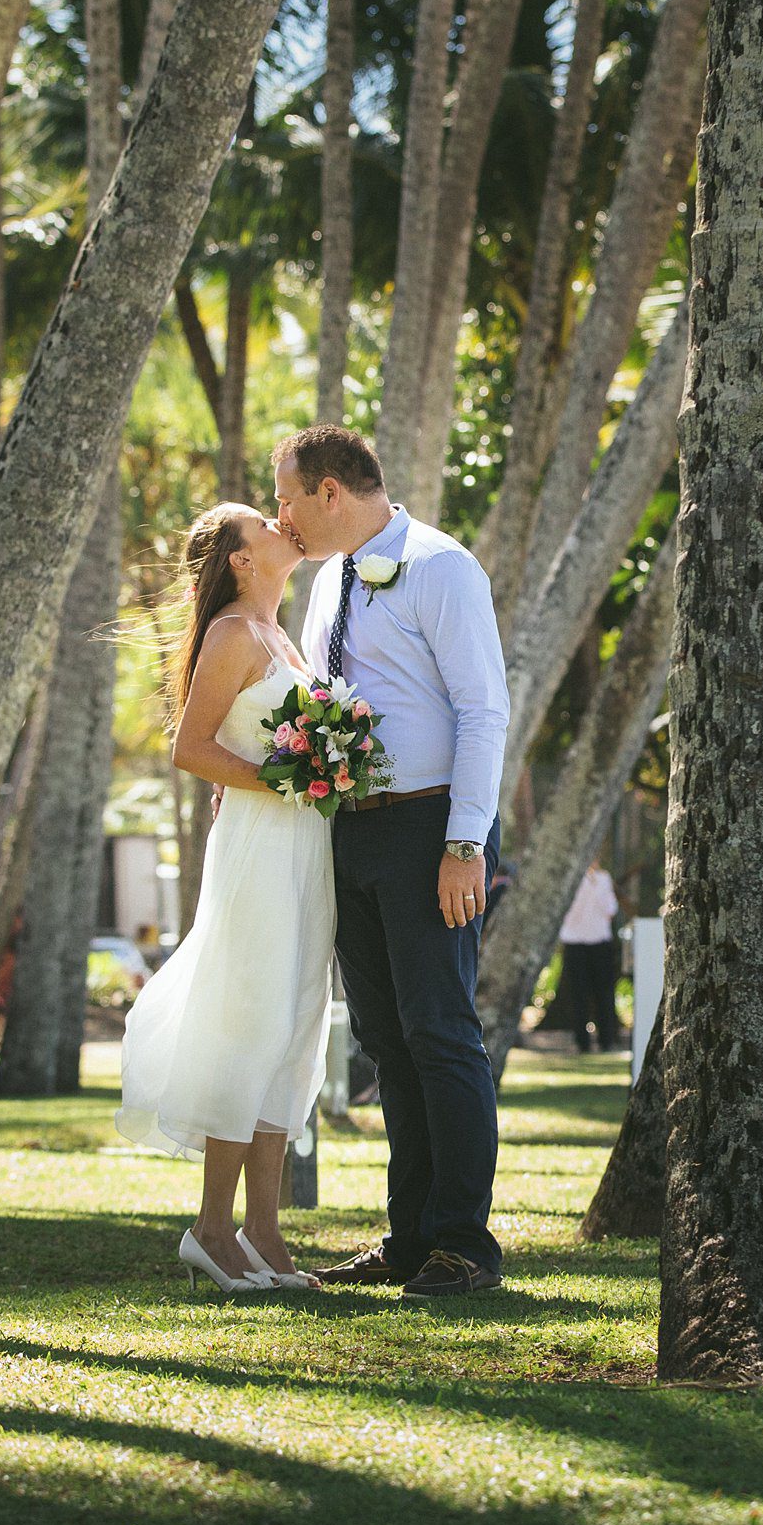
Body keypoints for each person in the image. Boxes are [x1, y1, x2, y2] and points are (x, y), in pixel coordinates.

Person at [273, 425, 511, 1298]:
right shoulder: (329, 578)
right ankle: (409, 1237)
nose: (281, 516)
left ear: (332, 492)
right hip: (351, 829)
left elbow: (484, 709)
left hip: (430, 832)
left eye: (289, 497)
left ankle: (464, 1244)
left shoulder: (441, 566)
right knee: (385, 1040)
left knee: (442, 1034)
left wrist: (464, 843)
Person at [114, 503, 332, 1295]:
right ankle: (211, 1227)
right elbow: (192, 747)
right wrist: (288, 779)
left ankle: (265, 1232)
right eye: (265, 524)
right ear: (242, 560)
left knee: (295, 1029)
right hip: (260, 851)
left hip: (309, 852)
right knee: (251, 1022)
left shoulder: (286, 638)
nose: (284, 524)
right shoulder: (233, 633)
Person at [556, 860, 622, 1054]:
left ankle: (601, 1040)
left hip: (596, 941)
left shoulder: (602, 879)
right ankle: (588, 1041)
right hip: (579, 941)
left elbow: (610, 910)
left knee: (598, 993)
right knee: (583, 994)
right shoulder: (576, 879)